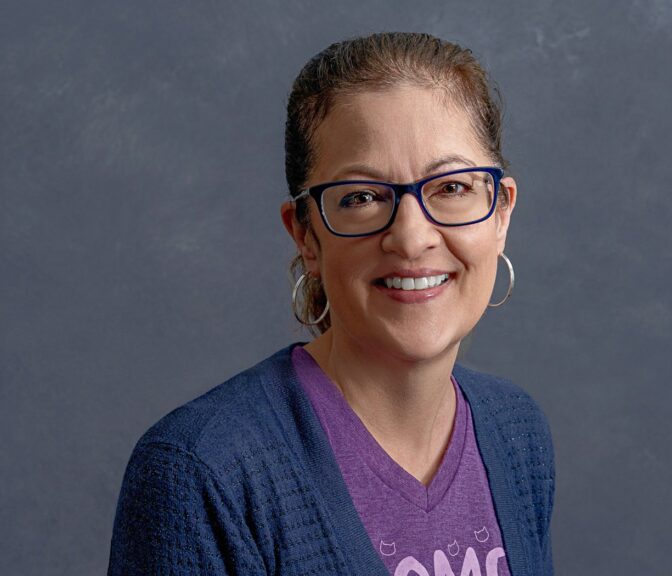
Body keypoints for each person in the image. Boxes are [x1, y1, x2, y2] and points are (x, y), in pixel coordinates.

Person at [108, 32, 555, 576]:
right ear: (306, 235)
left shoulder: (515, 431)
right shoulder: (201, 471)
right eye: (361, 198)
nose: (412, 239)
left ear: (501, 212)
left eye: (453, 188)